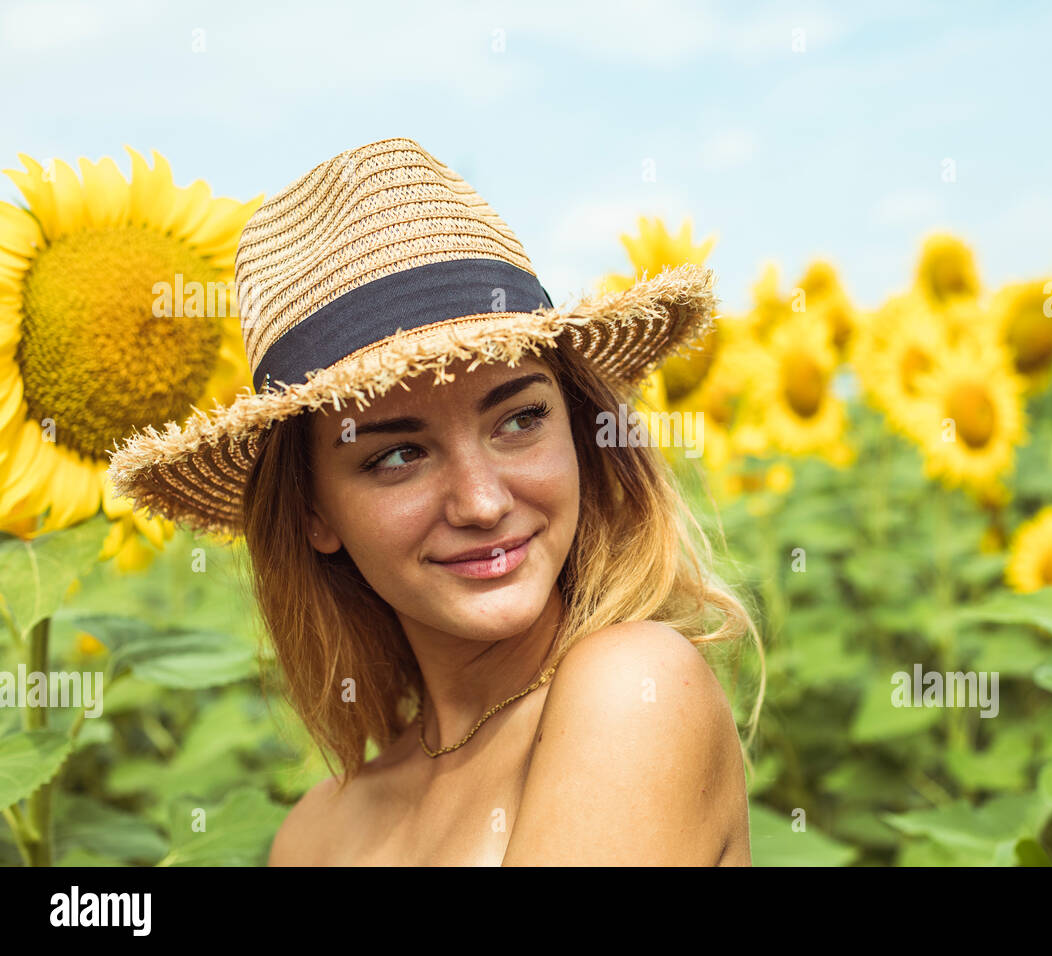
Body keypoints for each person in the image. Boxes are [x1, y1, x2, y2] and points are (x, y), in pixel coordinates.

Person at [107, 137, 764, 866]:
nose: (482, 504)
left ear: (579, 427)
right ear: (312, 513)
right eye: (398, 455)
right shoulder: (313, 835)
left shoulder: (635, 689)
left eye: (519, 419)